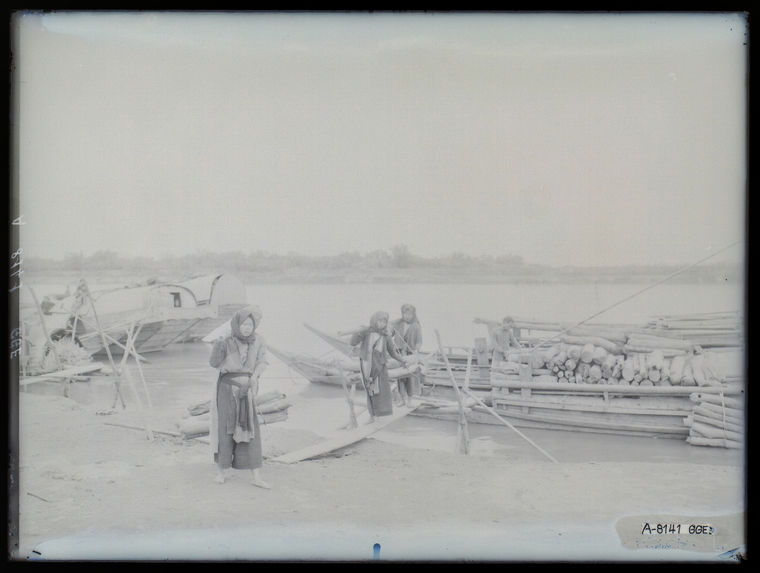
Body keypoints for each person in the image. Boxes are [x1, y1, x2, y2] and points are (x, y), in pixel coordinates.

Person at [209, 305, 270, 488]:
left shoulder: (258, 340)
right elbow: (214, 363)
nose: (247, 328)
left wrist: (255, 377)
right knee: (225, 429)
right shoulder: (226, 339)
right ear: (237, 324)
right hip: (226, 389)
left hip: (246, 390)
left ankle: (256, 476)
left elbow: (262, 361)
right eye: (243, 324)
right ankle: (221, 472)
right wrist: (218, 344)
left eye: (250, 324)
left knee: (250, 430)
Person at [350, 311, 409, 423]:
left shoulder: (386, 336)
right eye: (379, 321)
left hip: (379, 368)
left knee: (379, 392)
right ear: (374, 320)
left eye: (384, 322)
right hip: (366, 367)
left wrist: (402, 361)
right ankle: (372, 416)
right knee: (369, 392)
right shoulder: (365, 333)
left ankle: (378, 417)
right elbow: (352, 343)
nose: (381, 323)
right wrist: (357, 332)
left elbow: (393, 352)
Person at [391, 304, 423, 406]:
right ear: (402, 314)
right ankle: (402, 400)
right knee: (400, 377)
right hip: (399, 354)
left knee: (410, 378)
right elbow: (390, 334)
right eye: (405, 314)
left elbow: (419, 341)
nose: (407, 316)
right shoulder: (397, 324)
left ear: (413, 314)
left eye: (409, 314)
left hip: (410, 355)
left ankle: (409, 400)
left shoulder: (416, 326)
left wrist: (416, 351)